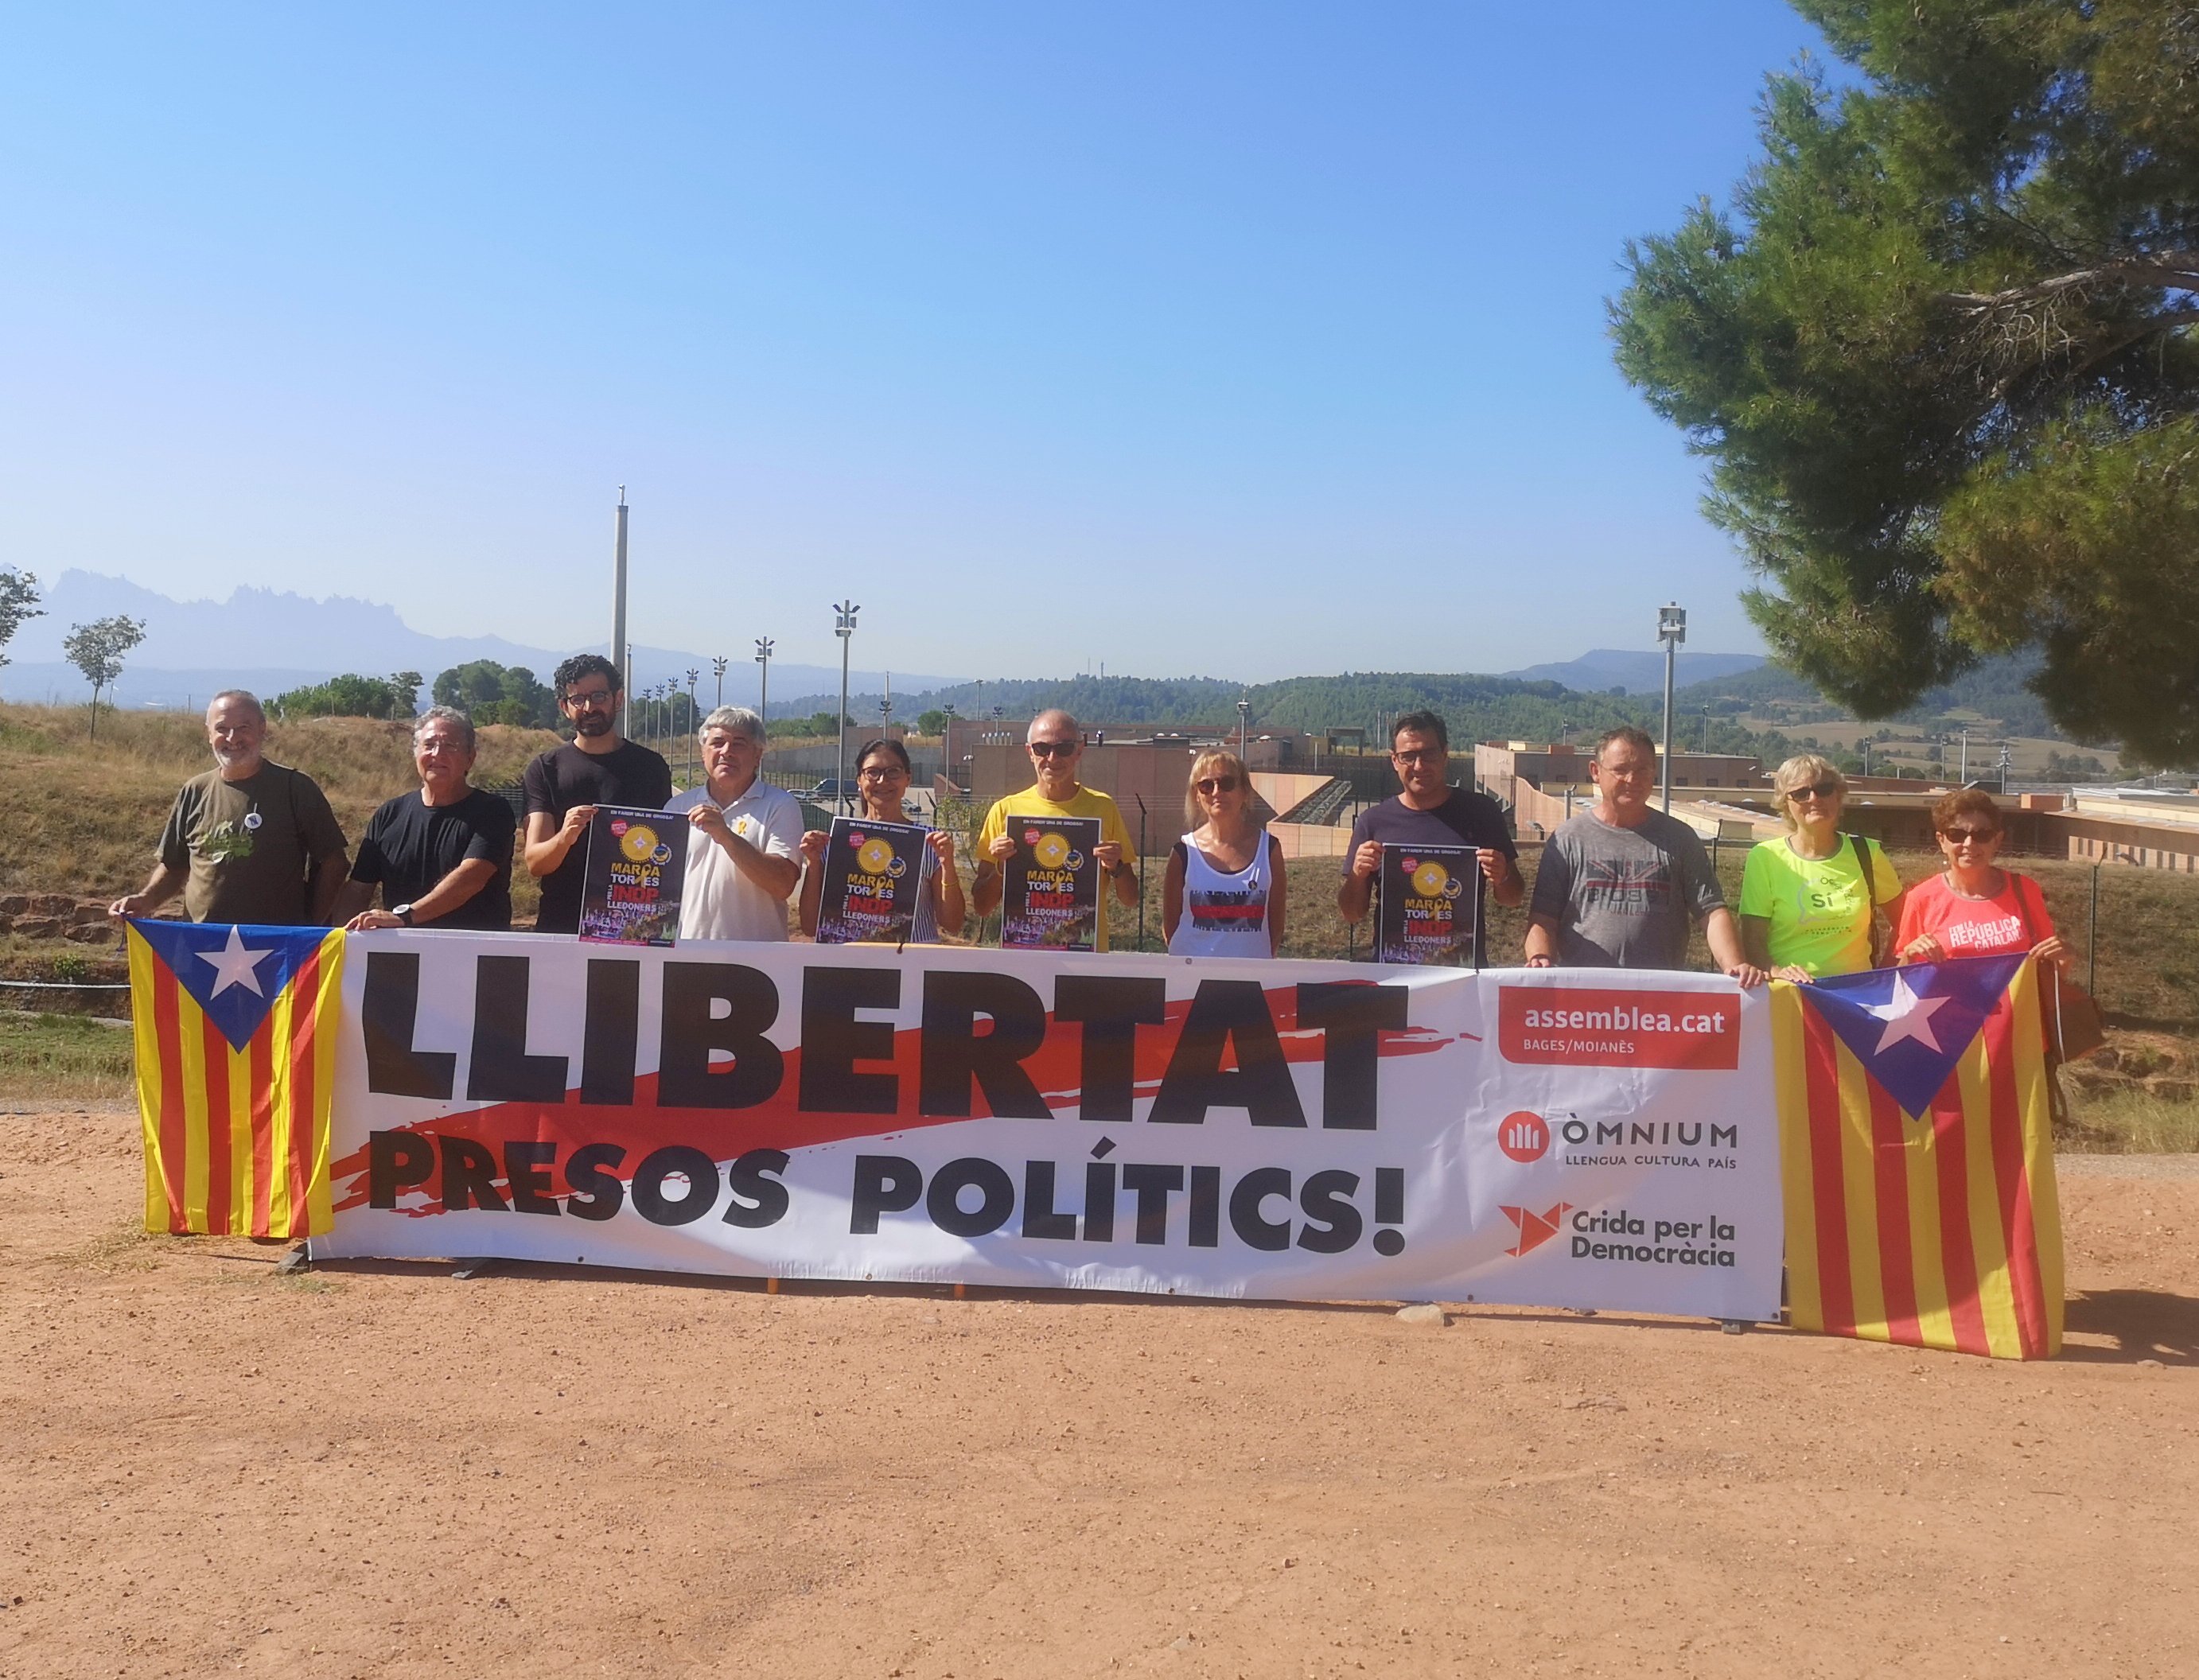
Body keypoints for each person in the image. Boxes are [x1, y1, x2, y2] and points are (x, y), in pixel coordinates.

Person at [1524, 725, 1764, 984]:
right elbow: (1543, 917)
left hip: (1659, 1000)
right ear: (1595, 772)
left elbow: (1711, 912)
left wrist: (1735, 965)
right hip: (1585, 998)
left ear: (1654, 773)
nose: (1632, 779)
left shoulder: (1680, 839)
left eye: (1642, 770)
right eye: (1620, 770)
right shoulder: (1567, 839)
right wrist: (1540, 959)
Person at [110, 690, 349, 927]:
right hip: (203, 948)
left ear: (262, 729)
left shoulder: (295, 788)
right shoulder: (195, 791)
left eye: (244, 728)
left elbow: (335, 863)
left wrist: (309, 926)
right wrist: (146, 899)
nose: (233, 738)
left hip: (274, 951)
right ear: (209, 733)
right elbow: (175, 865)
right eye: (222, 729)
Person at [1338, 710, 1523, 964]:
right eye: (1408, 756)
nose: (1419, 766)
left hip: (1461, 977)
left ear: (1445, 755)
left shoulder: (1482, 812)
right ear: (1394, 760)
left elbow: (1513, 899)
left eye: (1429, 754)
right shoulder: (1374, 822)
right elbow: (1351, 913)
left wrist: (1502, 876)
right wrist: (1358, 876)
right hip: (1395, 976)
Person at [521, 655, 673, 935]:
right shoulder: (544, 769)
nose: (589, 707)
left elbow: (664, 855)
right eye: (578, 699)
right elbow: (536, 863)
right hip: (561, 925)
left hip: (632, 927)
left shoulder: (651, 767)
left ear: (618, 699)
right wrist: (566, 836)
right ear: (564, 707)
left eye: (599, 696)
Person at [333, 706, 516, 931]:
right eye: (429, 745)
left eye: (450, 746)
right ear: (416, 753)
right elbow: (359, 888)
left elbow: (471, 878)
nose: (437, 754)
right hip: (402, 956)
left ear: (470, 758)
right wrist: (339, 937)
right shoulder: (389, 814)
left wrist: (404, 917)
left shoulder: (493, 811)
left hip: (471, 957)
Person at [971, 710, 1139, 951]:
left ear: (1079, 751)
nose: (1053, 758)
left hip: (1084, 957)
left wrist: (1117, 868)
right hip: (1023, 956)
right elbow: (982, 906)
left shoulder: (1103, 808)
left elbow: (1131, 899)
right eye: (1042, 749)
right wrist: (1000, 868)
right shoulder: (1004, 811)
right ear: (1029, 752)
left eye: (1064, 748)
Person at [1738, 753, 1905, 982]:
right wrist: (1778, 972)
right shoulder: (1765, 858)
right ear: (1785, 803)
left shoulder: (1868, 854)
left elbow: (1907, 923)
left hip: (1859, 998)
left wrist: (1884, 975)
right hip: (1789, 995)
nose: (1814, 798)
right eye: (1801, 793)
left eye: (1824, 789)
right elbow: (1752, 940)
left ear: (1838, 796)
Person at [797, 737, 967, 941]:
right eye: (872, 772)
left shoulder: (929, 844)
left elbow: (953, 924)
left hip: (912, 964)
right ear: (859, 780)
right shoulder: (834, 843)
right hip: (849, 964)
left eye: (893, 772)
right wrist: (813, 864)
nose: (882, 781)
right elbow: (809, 926)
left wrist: (947, 864)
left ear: (908, 778)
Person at [1896, 788, 2072, 970]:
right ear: (1942, 841)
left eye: (1982, 835)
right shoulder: (1921, 899)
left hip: (2018, 1000)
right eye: (1957, 835)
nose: (1969, 844)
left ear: (1997, 840)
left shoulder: (2025, 890)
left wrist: (2065, 957)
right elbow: (1903, 987)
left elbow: (2051, 968)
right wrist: (1909, 956)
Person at [670, 706, 804, 941]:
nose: (726, 752)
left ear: (757, 755)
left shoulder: (780, 805)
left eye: (739, 744)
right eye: (717, 743)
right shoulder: (677, 807)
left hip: (755, 960)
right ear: (703, 753)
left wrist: (727, 837)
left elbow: (783, 885)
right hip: (685, 953)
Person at [1163, 748, 1286, 957]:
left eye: (1227, 783)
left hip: (1251, 979)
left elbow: (1275, 927)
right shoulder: (1183, 853)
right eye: (1206, 785)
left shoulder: (1269, 850)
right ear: (1197, 796)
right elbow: (1170, 928)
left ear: (1244, 791)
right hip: (1190, 978)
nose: (1217, 792)